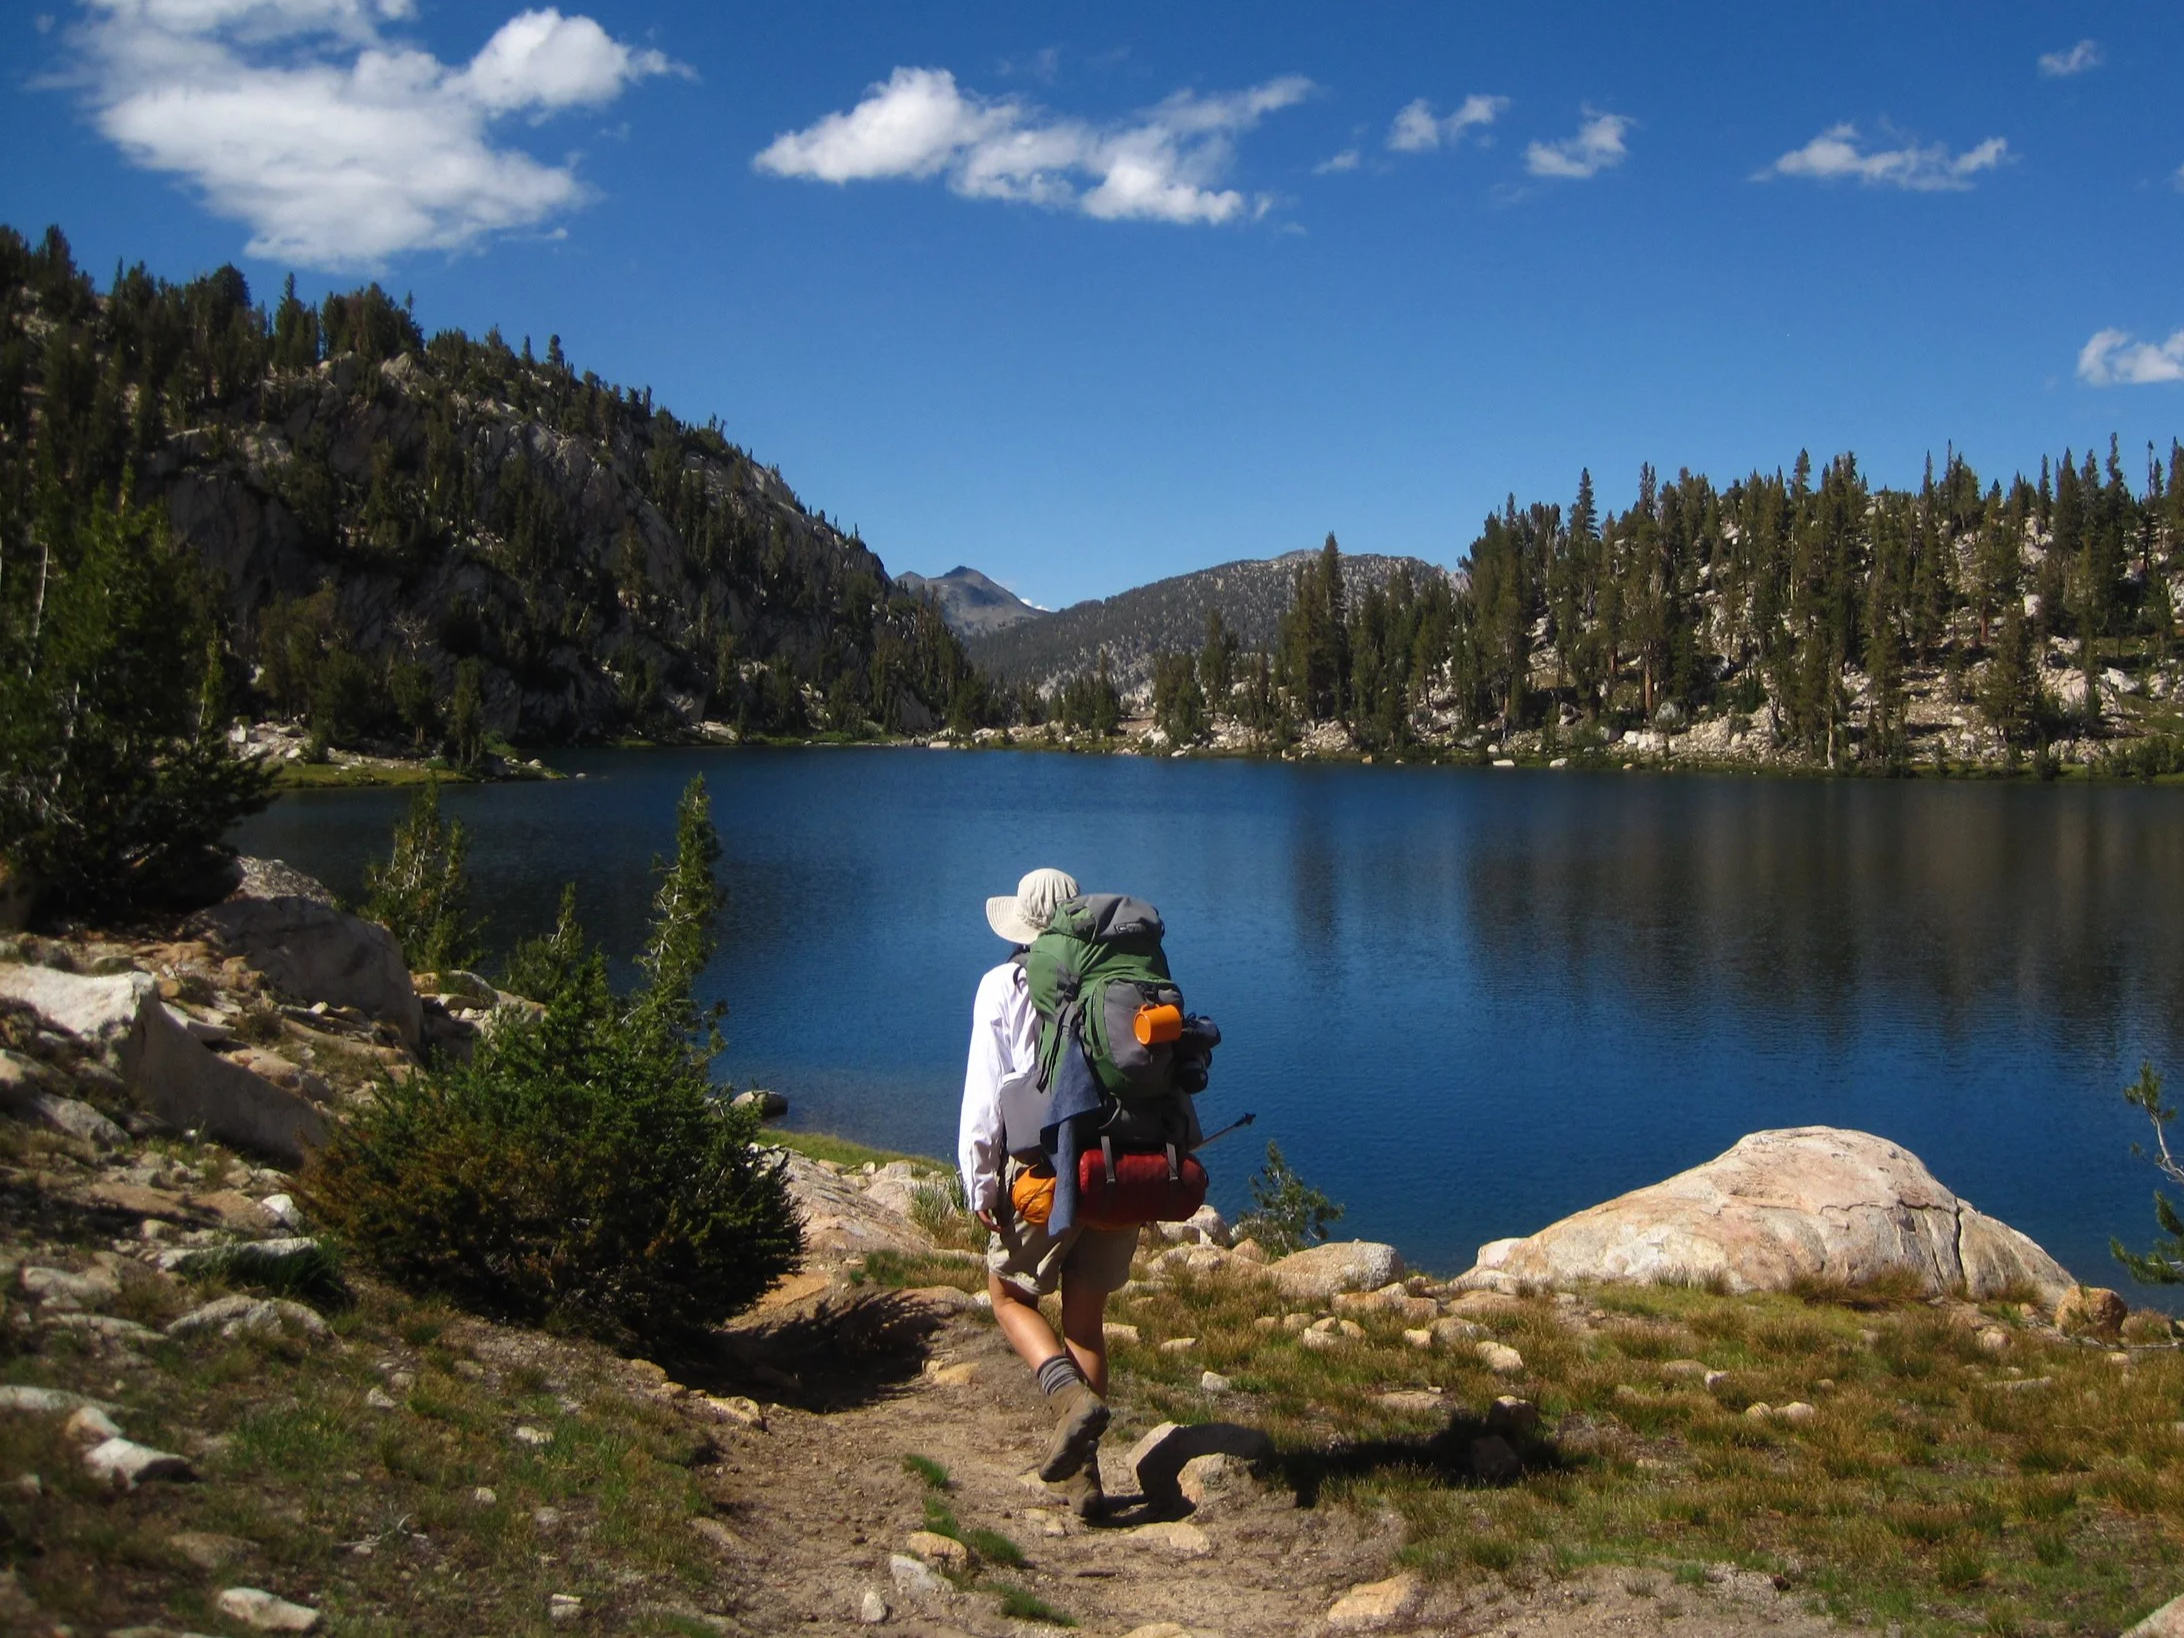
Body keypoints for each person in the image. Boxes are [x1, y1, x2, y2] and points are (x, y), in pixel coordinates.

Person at [958, 866, 1140, 1520]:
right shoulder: (1115, 981)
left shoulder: (1001, 985)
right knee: (1086, 1321)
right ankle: (1083, 1481)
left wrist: (979, 1178)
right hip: (1118, 1172)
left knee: (1009, 1294)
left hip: (1041, 1176)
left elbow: (986, 1097)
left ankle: (1069, 1400)